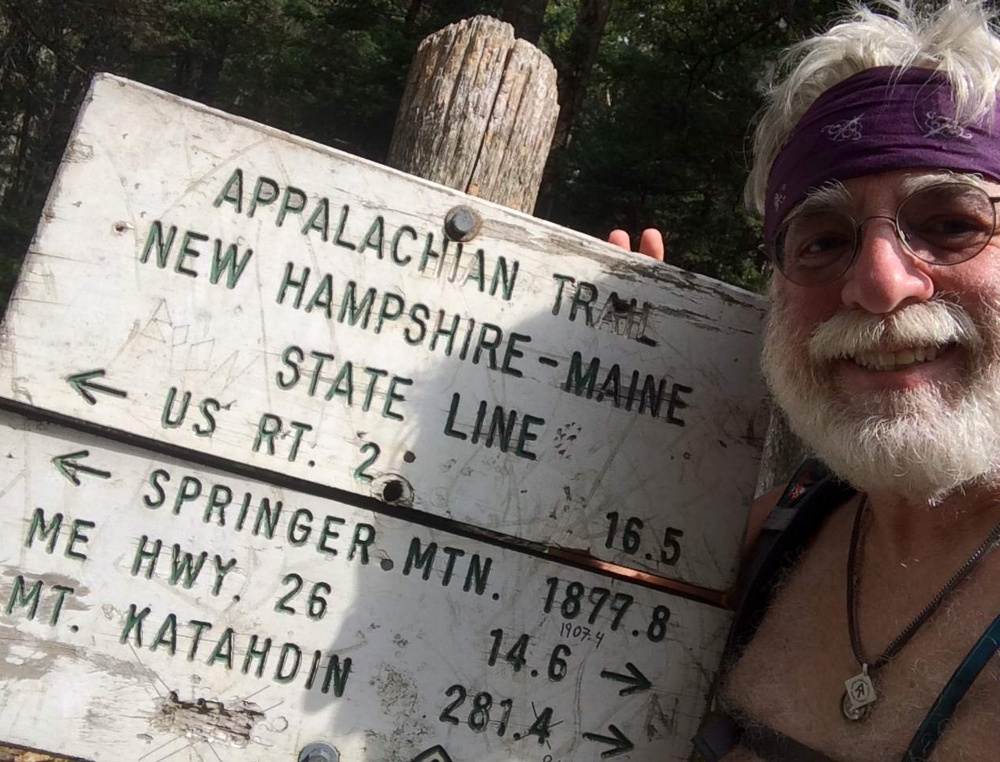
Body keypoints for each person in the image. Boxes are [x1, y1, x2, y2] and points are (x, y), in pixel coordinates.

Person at [612, 2, 1000, 760]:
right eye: (822, 240)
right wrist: (619, 416)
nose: (880, 284)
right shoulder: (763, 537)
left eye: (952, 222)